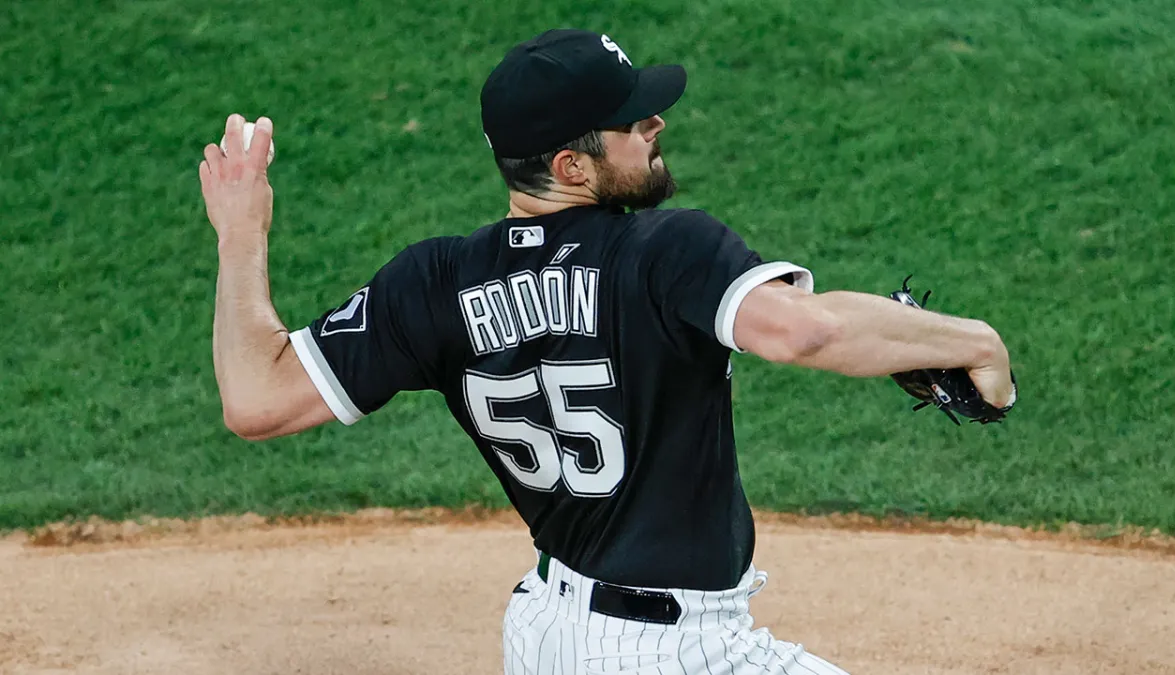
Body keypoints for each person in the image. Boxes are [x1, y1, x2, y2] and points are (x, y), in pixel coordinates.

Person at [198, 27, 1013, 675]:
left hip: (546, 634)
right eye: (632, 123)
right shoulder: (662, 249)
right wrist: (975, 340)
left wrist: (241, 233)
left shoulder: (432, 281)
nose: (655, 124)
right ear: (569, 164)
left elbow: (255, 397)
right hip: (672, 654)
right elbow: (804, 328)